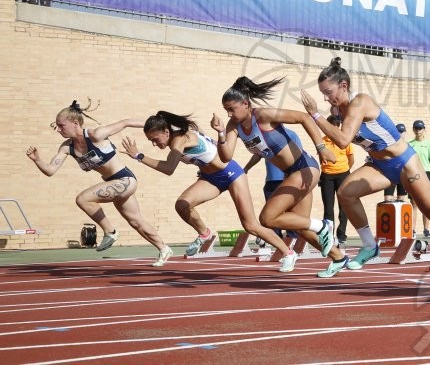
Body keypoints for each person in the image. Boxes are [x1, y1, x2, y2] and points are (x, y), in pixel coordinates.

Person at [300, 57, 430, 287]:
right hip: (380, 166)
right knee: (346, 192)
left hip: (405, 163)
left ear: (344, 86)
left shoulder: (360, 102)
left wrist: (314, 115)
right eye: (323, 94)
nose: (327, 98)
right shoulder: (338, 108)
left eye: (329, 92)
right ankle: (369, 245)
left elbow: (343, 139)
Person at [121, 111, 296, 272]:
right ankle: (205, 233)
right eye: (150, 140)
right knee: (182, 204)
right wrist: (127, 122)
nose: (154, 143)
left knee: (250, 225)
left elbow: (169, 168)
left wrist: (139, 156)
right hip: (210, 178)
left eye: (155, 139)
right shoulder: (174, 132)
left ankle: (288, 253)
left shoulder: (178, 140)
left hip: (232, 174)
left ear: (166, 131)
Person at [213, 76, 351, 278]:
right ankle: (338, 257)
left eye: (232, 109)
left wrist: (321, 148)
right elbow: (226, 157)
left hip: (305, 168)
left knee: (267, 218)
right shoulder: (234, 127)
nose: (229, 114)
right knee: (302, 227)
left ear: (245, 103)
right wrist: (221, 134)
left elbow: (304, 118)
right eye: (226, 110)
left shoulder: (263, 115)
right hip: (292, 174)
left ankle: (323, 225)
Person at [25, 100, 172, 267]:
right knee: (136, 222)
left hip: (124, 179)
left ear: (75, 123)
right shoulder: (67, 147)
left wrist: (163, 127)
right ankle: (163, 248)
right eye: (57, 126)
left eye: (61, 125)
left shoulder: (96, 134)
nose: (59, 130)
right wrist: (37, 160)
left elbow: (126, 123)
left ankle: (110, 231)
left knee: (83, 199)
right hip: (112, 183)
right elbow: (51, 170)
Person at [318, 114, 353, 247]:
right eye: (332, 126)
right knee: (328, 208)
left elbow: (351, 158)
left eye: (337, 126)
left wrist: (345, 170)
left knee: (343, 207)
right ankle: (329, 237)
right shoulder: (322, 141)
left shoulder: (344, 140)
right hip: (327, 176)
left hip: (343, 174)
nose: (335, 129)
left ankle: (341, 236)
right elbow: (321, 158)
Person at [408, 120, 430, 239]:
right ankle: (413, 230)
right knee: (414, 203)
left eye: (420, 128)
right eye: (416, 128)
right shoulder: (410, 144)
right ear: (413, 129)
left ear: (424, 129)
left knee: (426, 203)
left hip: (426, 173)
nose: (418, 130)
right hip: (414, 174)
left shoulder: (429, 144)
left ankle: (426, 229)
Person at [382, 124, 409, 202]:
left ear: (405, 132)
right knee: (387, 200)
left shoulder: (408, 146)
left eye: (402, 132)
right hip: (390, 175)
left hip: (403, 175)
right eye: (398, 132)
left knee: (401, 201)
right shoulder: (388, 145)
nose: (400, 134)